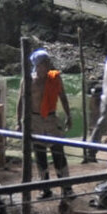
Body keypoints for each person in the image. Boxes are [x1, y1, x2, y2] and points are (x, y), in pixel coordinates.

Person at [24, 48, 74, 196]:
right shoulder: (28, 81)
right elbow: (23, 101)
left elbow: (63, 96)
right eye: (45, 62)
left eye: (48, 62)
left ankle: (66, 188)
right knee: (40, 155)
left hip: (52, 120)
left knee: (58, 153)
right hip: (35, 121)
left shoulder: (55, 78)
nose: (48, 64)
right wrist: (21, 122)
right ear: (38, 65)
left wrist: (68, 115)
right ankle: (45, 188)